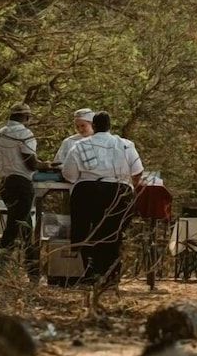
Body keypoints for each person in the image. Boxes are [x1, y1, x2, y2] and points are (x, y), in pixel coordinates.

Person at [61, 111, 143, 295]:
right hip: (118, 191)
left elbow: (69, 175)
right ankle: (112, 277)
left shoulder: (79, 146)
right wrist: (129, 187)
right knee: (114, 234)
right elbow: (137, 171)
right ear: (110, 126)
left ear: (94, 126)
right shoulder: (125, 145)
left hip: (88, 191)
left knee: (86, 232)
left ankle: (91, 274)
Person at [0, 103, 40, 277]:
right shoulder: (24, 134)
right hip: (22, 183)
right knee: (14, 227)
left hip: (6, 183)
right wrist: (44, 165)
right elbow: (30, 162)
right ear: (26, 117)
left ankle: (33, 272)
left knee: (26, 228)